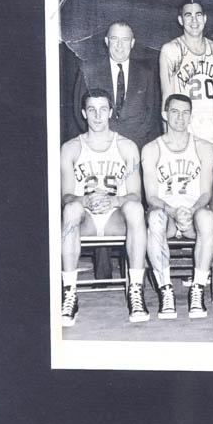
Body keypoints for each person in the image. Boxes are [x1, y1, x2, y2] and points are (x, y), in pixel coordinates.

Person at [59, 89, 148, 326]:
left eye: (102, 109)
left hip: (114, 217)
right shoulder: (70, 148)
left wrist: (114, 201)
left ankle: (136, 290)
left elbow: (135, 194)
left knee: (136, 210)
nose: (97, 116)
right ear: (83, 113)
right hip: (85, 218)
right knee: (70, 210)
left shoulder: (127, 147)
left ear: (110, 112)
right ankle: (69, 293)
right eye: (91, 110)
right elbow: (66, 196)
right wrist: (84, 200)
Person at [140, 94, 213, 320]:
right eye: (174, 111)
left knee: (208, 219)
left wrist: (191, 211)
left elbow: (206, 193)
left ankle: (198, 288)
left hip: (193, 214)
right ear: (165, 114)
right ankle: (166, 290)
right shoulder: (152, 148)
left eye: (185, 113)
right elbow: (151, 196)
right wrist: (173, 212)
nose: (180, 117)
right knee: (154, 219)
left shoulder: (203, 147)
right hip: (168, 215)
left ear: (190, 117)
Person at [74, 22, 162, 148]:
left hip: (136, 145)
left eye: (125, 39)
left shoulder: (146, 72)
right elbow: (79, 112)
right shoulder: (89, 69)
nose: (119, 45)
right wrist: (97, 141)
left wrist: (132, 144)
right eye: (114, 38)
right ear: (106, 41)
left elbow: (151, 114)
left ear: (132, 43)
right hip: (98, 146)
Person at [159, 1, 213, 149]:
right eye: (188, 15)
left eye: (198, 15)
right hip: (186, 132)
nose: (194, 20)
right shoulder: (171, 50)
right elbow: (166, 97)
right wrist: (167, 139)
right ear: (181, 20)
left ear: (205, 18)